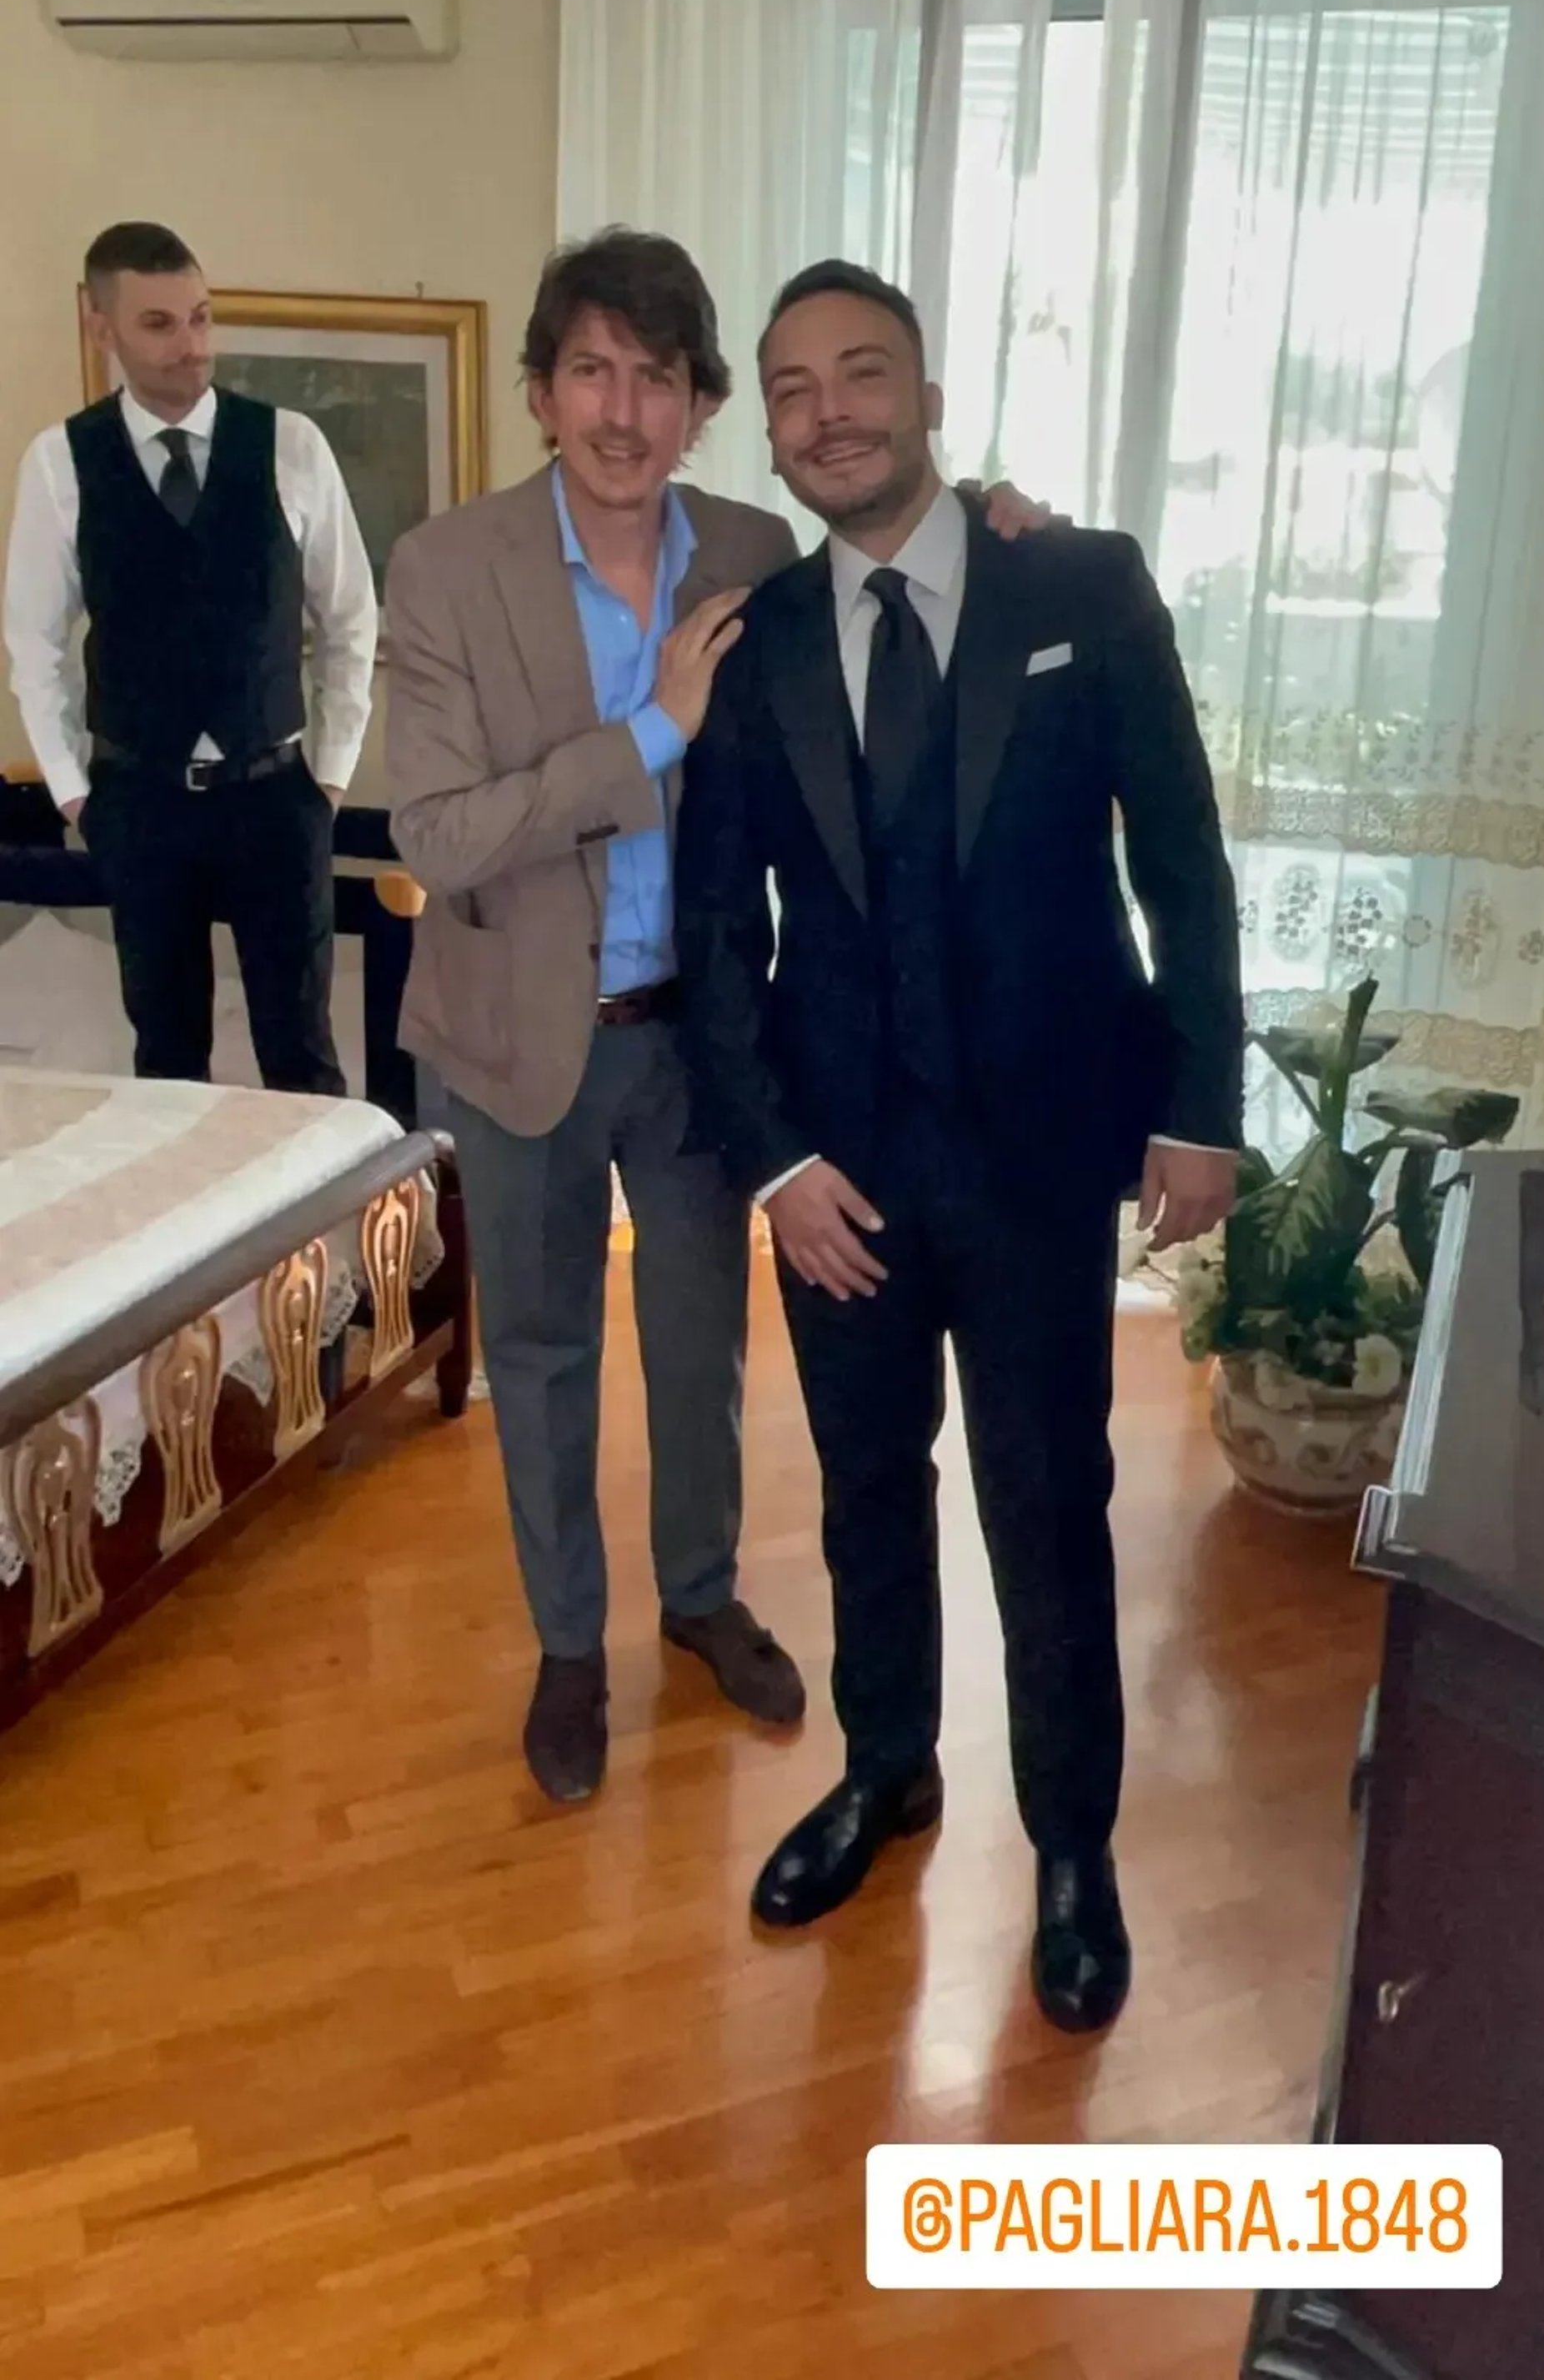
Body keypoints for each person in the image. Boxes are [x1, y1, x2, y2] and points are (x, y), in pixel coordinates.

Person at [383, 227, 1043, 1807]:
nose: (623, 412)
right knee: (542, 1350)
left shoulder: (753, 548)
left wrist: (1008, 519)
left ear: (699, 407)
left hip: (702, 1043)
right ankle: (568, 1645)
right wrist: (650, 734)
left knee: (703, 1347)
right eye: (591, 372)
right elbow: (439, 835)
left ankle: (698, 1595)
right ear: (541, 393)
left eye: (658, 378)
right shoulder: (446, 567)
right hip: (516, 1045)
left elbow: (904, 550)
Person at [674, 259, 1243, 2035]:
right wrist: (776, 1163)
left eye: (862, 373)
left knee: (1047, 1498)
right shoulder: (758, 643)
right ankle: (886, 1765)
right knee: (862, 1485)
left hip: (1042, 1155)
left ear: (928, 395)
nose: (827, 411)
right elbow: (718, 933)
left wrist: (1200, 1103)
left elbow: (1183, 859)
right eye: (791, 388)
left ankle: (1072, 1844)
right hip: (841, 1177)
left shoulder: (1079, 582)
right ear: (771, 430)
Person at [3, 223, 377, 1095]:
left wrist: (328, 777)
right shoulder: (61, 463)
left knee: (302, 1058)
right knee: (166, 1060)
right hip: (139, 799)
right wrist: (74, 790)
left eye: (202, 317)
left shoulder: (290, 445)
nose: (193, 345)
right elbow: (34, 643)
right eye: (161, 323)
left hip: (275, 793)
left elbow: (351, 618)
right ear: (102, 326)